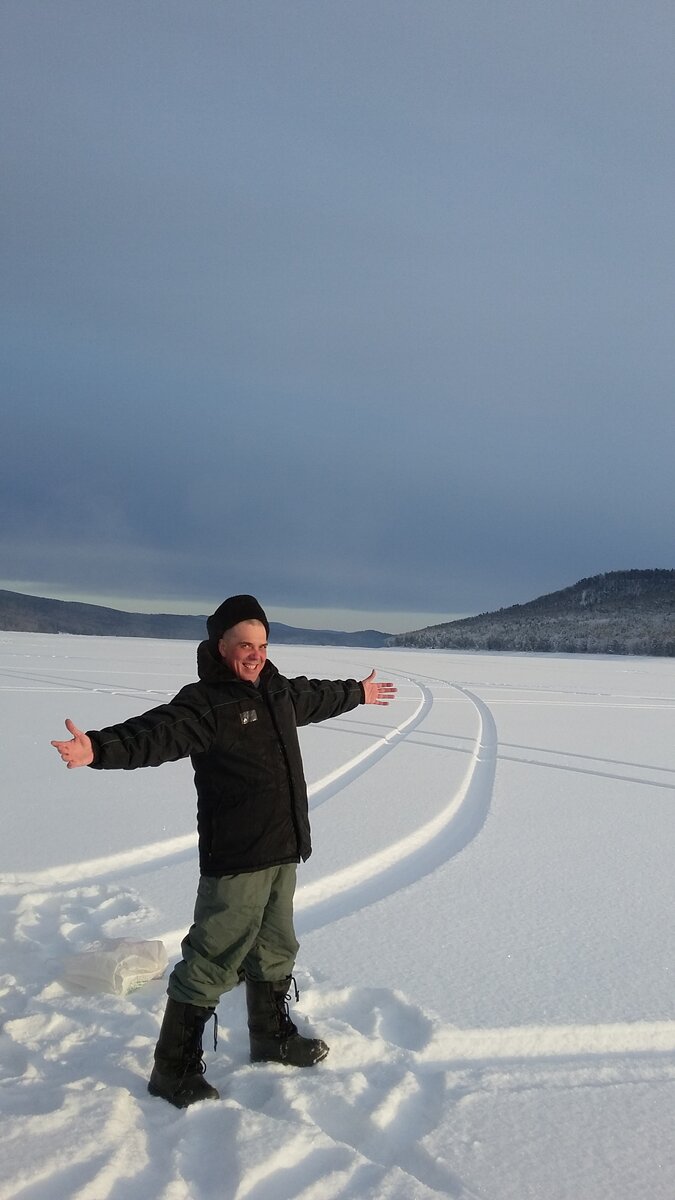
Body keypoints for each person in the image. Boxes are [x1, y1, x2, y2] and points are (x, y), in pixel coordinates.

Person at [51, 594, 396, 1108]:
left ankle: (271, 1037)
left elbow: (317, 695)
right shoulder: (206, 703)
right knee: (212, 958)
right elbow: (154, 733)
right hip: (236, 858)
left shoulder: (277, 691)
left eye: (261, 644)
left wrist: (360, 692)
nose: (254, 654)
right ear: (220, 646)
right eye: (243, 645)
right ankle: (173, 1069)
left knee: (276, 945)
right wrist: (97, 748)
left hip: (283, 846)